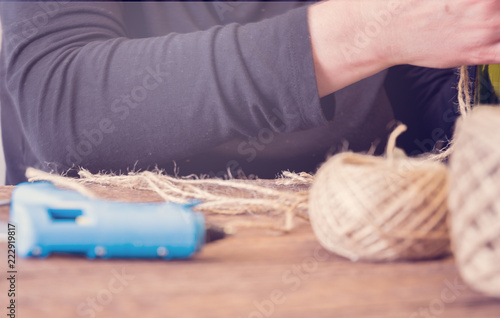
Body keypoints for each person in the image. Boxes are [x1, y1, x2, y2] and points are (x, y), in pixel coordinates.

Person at [0, 0, 496, 185]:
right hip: (83, 257)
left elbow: (436, 109)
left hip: (345, 263)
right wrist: (372, 29)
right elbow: (65, 108)